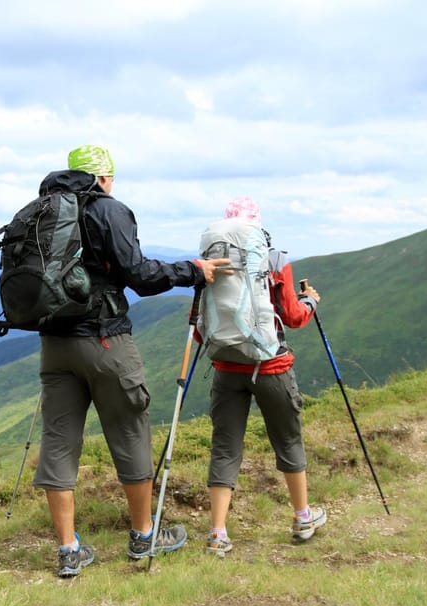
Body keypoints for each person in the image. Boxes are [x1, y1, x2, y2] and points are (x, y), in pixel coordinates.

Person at [32, 144, 231, 578]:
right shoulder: (109, 210)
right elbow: (138, 274)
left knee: (60, 441)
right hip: (105, 342)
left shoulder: (42, 211)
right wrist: (193, 271)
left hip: (54, 344)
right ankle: (144, 536)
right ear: (103, 177)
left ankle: (68, 550)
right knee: (129, 431)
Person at [199, 196, 326, 557]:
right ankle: (303, 518)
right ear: (257, 224)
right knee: (287, 440)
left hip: (225, 367)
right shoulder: (273, 259)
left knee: (225, 446)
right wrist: (312, 302)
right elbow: (292, 315)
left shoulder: (213, 259)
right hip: (271, 366)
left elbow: (200, 321)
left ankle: (218, 533)